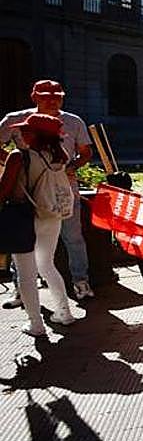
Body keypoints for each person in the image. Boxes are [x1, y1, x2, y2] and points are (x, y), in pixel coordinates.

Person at [0, 80, 94, 303]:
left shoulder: (73, 121)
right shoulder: (15, 120)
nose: (52, 100)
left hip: (62, 193)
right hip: (26, 195)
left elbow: (85, 152)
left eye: (57, 96)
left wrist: (69, 168)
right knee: (22, 240)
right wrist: (18, 165)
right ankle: (21, 288)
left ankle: (81, 282)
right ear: (34, 97)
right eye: (45, 96)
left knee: (73, 238)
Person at [0, 113, 80, 337]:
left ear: (38, 135)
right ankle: (64, 313)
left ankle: (36, 324)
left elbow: (4, 189)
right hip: (50, 215)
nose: (21, 133)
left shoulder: (19, 156)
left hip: (24, 217)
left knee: (26, 273)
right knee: (47, 264)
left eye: (26, 129)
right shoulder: (59, 155)